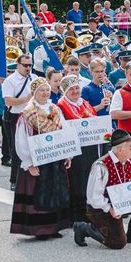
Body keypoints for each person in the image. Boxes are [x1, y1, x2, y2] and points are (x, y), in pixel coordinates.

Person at [11, 77, 72, 238]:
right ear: (34, 93)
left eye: (46, 90)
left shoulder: (55, 109)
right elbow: (21, 139)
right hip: (38, 159)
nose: (45, 93)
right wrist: (28, 163)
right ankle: (40, 229)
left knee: (55, 191)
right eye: (41, 91)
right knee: (40, 193)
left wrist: (67, 153)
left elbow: (64, 131)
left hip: (55, 157)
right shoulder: (28, 113)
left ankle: (54, 227)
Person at [73, 129, 131, 248]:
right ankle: (84, 228)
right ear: (120, 150)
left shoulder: (129, 161)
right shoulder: (101, 166)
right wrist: (110, 209)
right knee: (118, 243)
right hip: (100, 208)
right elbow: (93, 197)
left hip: (121, 202)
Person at [57, 75, 102, 222]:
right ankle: (77, 216)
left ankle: (89, 212)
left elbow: (94, 119)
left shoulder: (84, 103)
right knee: (77, 180)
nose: (75, 91)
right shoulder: (61, 105)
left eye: (77, 88)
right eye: (71, 89)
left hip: (90, 145)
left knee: (90, 178)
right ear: (65, 91)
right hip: (74, 148)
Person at [2, 53, 34, 190]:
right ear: (18, 65)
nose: (28, 68)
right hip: (16, 116)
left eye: (30, 65)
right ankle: (14, 180)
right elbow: (8, 101)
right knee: (17, 149)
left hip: (31, 115)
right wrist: (26, 99)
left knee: (32, 146)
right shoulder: (10, 80)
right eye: (25, 65)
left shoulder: (34, 78)